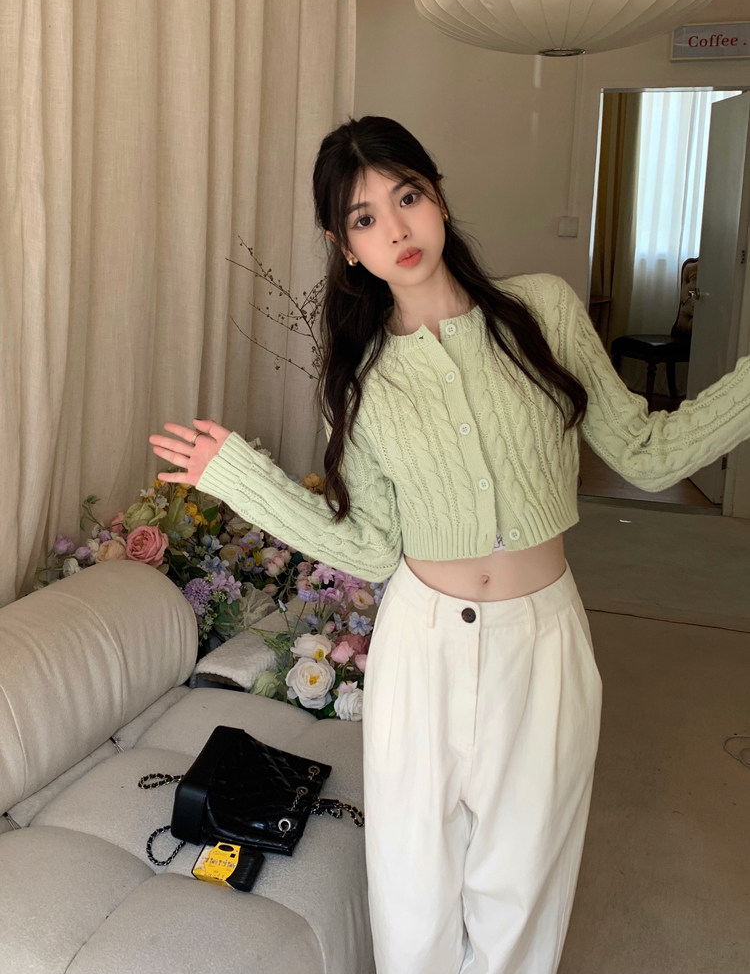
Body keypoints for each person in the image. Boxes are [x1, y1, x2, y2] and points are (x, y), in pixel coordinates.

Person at [150, 115, 750, 974]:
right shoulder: (358, 376)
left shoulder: (542, 310)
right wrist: (240, 478)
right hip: (423, 644)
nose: (395, 228)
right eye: (364, 218)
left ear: (436, 195)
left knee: (524, 881)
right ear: (344, 246)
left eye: (407, 197)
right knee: (414, 885)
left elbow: (649, 452)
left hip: (544, 639)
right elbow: (370, 546)